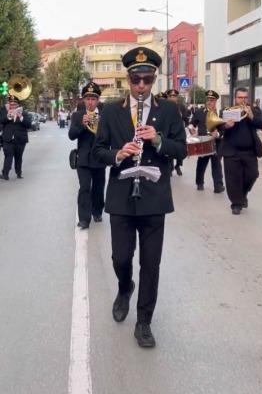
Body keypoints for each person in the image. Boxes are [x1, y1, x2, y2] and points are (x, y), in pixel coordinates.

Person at [92, 46, 187, 347]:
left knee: (151, 263)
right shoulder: (110, 111)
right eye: (136, 80)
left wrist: (158, 141)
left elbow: (181, 149)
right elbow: (97, 152)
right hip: (121, 195)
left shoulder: (169, 111)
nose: (142, 86)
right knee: (121, 257)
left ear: (154, 78)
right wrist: (118, 153)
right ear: (128, 80)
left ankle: (144, 321)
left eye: (147, 79)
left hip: (154, 196)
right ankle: (124, 286)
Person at [218, 87, 262, 215]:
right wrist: (226, 126)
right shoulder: (226, 111)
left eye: (245, 98)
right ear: (235, 98)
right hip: (231, 151)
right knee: (233, 179)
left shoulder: (254, 111)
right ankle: (236, 204)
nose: (242, 100)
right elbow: (218, 127)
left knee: (253, 174)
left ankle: (243, 194)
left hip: (249, 151)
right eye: (240, 97)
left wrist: (251, 117)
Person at [69, 82, 106, 229]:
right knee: (84, 187)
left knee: (98, 187)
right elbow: (71, 136)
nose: (90, 102)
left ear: (97, 100)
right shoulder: (77, 115)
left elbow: (108, 136)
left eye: (93, 99)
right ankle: (84, 219)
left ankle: (97, 211)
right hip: (83, 159)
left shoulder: (105, 115)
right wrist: (81, 126)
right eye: (88, 99)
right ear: (84, 100)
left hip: (99, 157)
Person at [189, 90, 225, 193]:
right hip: (203, 142)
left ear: (216, 101)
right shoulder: (200, 112)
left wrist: (217, 134)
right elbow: (192, 123)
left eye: (212, 100)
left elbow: (224, 130)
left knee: (216, 164)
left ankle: (218, 186)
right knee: (202, 163)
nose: (209, 102)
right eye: (208, 100)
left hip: (216, 143)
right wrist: (191, 128)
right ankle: (199, 183)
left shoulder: (220, 114)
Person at [0, 95, 32, 180]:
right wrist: (8, 116)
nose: (13, 105)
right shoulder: (4, 111)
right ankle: (5, 174)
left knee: (18, 157)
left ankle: (19, 173)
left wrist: (20, 117)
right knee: (8, 155)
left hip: (20, 139)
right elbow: (1, 121)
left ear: (18, 105)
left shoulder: (24, 113)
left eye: (14, 104)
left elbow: (29, 125)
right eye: (11, 104)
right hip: (8, 138)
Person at [166, 88, 188, 176]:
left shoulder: (181, 107)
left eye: (174, 96)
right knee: (170, 149)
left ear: (177, 97)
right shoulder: (165, 107)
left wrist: (189, 126)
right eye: (170, 96)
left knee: (180, 149)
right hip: (168, 132)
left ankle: (178, 166)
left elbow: (186, 118)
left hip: (179, 132)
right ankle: (170, 168)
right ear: (167, 97)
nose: (172, 98)